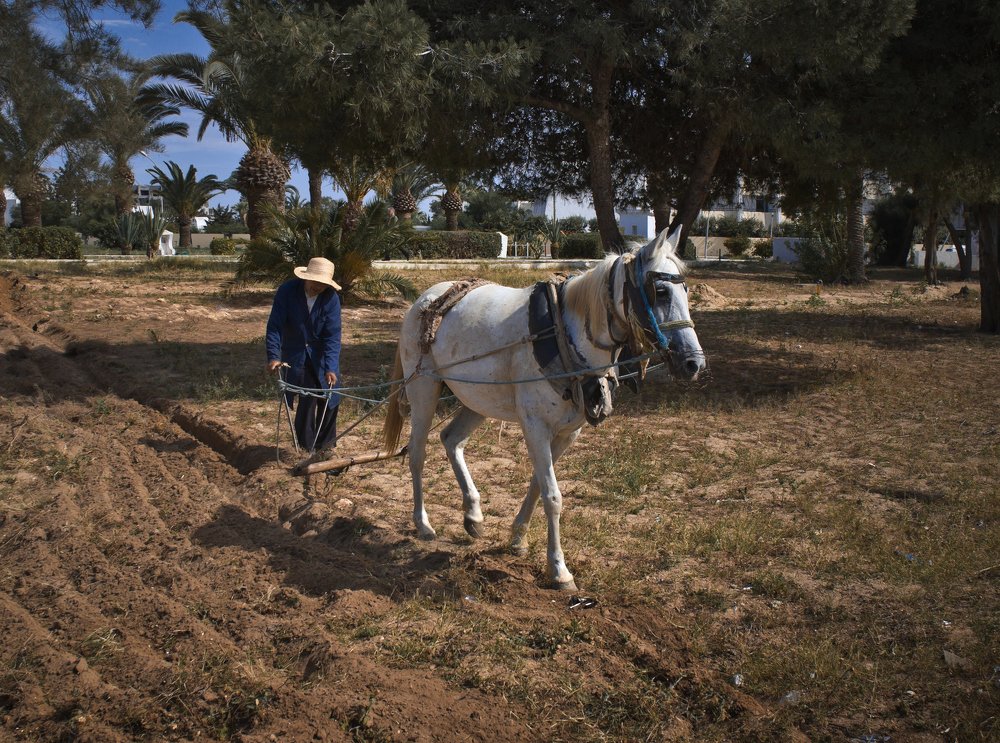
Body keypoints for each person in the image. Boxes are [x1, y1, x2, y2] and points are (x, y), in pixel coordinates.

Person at [266, 257, 342, 454]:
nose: (318, 287)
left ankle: (325, 447)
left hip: (322, 356)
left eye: (323, 284)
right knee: (307, 399)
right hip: (297, 353)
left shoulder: (331, 298)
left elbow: (332, 336)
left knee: (330, 397)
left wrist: (331, 368)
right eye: (316, 282)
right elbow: (275, 326)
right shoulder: (287, 292)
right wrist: (274, 356)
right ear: (306, 278)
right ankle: (306, 448)